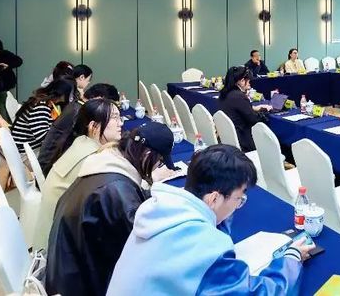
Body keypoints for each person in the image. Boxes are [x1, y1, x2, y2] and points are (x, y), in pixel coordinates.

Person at [107, 145, 312, 295]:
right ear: (214, 198)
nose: (238, 206)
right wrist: (291, 258)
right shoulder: (203, 245)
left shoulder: (160, 210)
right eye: (239, 198)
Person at [46, 122, 176, 296]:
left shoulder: (106, 163)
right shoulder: (116, 190)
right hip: (83, 286)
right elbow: (141, 246)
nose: (156, 167)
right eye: (159, 162)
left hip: (67, 272)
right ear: (147, 156)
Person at [34, 99, 124, 251]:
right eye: (115, 118)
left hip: (51, 239)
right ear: (94, 127)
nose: (120, 123)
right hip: (59, 250)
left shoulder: (81, 143)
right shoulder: (93, 158)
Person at [39, 83, 120, 176]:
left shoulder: (75, 105)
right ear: (99, 98)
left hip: (53, 165)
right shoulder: (79, 112)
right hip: (50, 168)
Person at [10, 77, 76, 153]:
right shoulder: (41, 106)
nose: (73, 97)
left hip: (30, 147)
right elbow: (43, 138)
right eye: (72, 93)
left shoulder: (46, 102)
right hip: (26, 152)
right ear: (64, 93)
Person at [218, 66, 272, 152]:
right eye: (249, 80)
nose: (250, 83)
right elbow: (254, 120)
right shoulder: (239, 96)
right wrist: (265, 111)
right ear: (242, 81)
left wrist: (253, 108)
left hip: (227, 138)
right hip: (243, 141)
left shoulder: (225, 93)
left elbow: (237, 109)